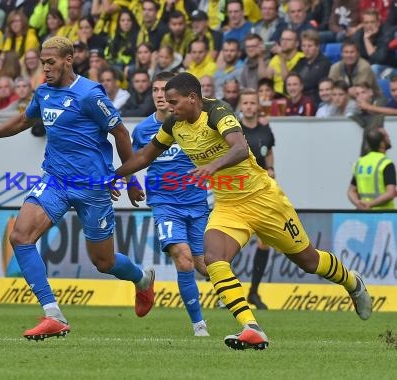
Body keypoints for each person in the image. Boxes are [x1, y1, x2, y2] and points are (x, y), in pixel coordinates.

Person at [115, 72, 373, 350]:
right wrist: (114, 175)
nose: (170, 107)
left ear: (193, 98)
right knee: (214, 258)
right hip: (229, 205)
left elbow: (239, 148)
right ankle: (251, 327)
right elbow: (144, 156)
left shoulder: (217, 111)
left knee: (309, 261)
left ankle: (351, 281)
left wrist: (212, 167)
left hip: (263, 199)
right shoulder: (173, 123)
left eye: (175, 102)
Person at [0, 36, 155, 341]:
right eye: (41, 62)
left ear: (68, 59)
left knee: (104, 262)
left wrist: (128, 179)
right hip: (55, 180)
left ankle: (142, 279)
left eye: (50, 62)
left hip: (91, 186)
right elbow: (24, 120)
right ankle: (53, 314)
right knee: (20, 236)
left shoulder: (90, 94)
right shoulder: (44, 92)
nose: (45, 68)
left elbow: (120, 132)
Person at [131, 71, 210, 336]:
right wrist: (128, 183)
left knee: (204, 265)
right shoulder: (142, 130)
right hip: (165, 203)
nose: (160, 96)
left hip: (197, 202)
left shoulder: (194, 124)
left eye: (165, 90)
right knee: (183, 260)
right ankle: (199, 326)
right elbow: (133, 159)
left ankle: (240, 312)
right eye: (155, 90)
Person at [238, 88, 276, 310]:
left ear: (257, 106)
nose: (249, 106)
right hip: (239, 192)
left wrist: (271, 168)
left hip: (261, 193)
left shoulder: (265, 130)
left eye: (253, 103)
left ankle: (253, 292)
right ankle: (227, 293)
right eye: (246, 103)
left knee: (264, 243)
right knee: (231, 243)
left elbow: (268, 150)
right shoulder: (234, 129)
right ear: (241, 106)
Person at [348, 128, 395, 210]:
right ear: (382, 143)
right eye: (387, 137)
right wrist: (370, 204)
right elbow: (390, 193)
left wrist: (358, 204)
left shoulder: (360, 162)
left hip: (364, 214)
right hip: (383, 215)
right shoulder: (386, 163)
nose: (389, 138)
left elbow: (351, 191)